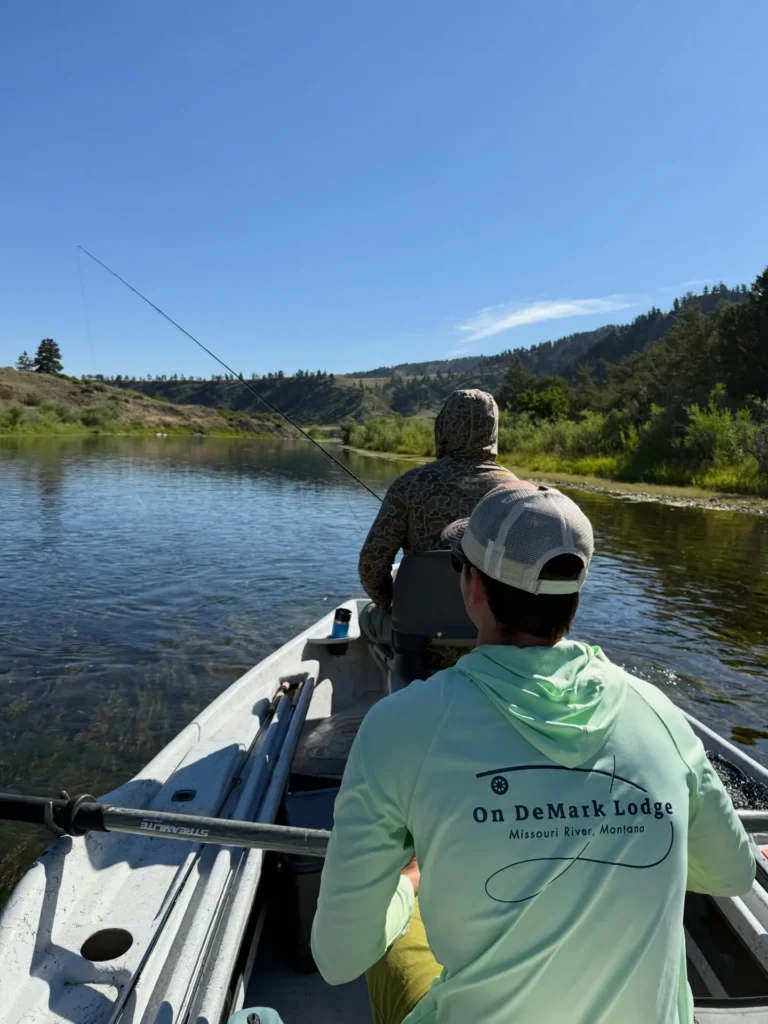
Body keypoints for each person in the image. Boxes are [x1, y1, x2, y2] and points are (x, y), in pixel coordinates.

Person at [312, 484, 755, 1024]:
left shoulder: (399, 726)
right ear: (575, 591)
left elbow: (338, 958)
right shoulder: (659, 713)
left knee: (402, 941)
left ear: (471, 584)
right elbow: (733, 875)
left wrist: (408, 883)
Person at [358, 388, 516, 652]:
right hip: (491, 643)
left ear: (443, 427)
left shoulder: (409, 485)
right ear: (493, 429)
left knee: (366, 618)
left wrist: (388, 602)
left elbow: (371, 565)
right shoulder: (518, 493)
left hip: (420, 645)